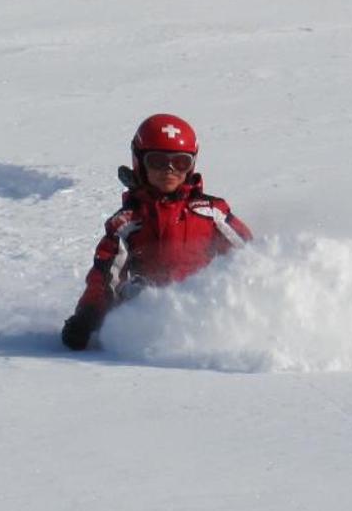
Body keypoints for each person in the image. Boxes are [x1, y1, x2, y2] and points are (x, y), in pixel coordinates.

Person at [62, 113, 253, 350]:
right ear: (139, 162)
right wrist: (87, 316)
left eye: (180, 162)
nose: (169, 170)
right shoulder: (127, 222)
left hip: (202, 311)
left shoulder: (211, 212)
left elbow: (250, 256)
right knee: (134, 293)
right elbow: (105, 277)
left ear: (191, 165)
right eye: (158, 161)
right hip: (150, 315)